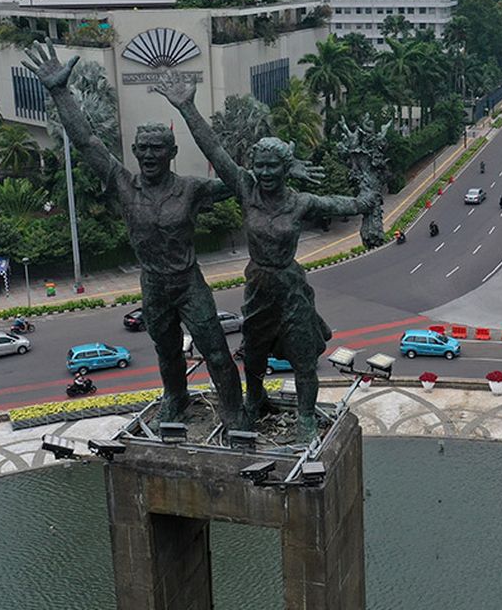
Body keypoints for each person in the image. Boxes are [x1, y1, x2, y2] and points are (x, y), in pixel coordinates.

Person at [22, 41, 246, 429]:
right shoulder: (123, 184)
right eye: (142, 148)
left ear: (172, 152)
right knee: (166, 350)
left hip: (188, 281)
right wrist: (60, 91)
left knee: (216, 351)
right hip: (153, 283)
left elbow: (236, 180)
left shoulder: (192, 189)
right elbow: (87, 141)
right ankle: (175, 397)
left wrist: (188, 109)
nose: (148, 155)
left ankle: (234, 411)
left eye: (157, 148)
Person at [151, 74, 381, 441]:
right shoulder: (245, 188)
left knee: (304, 357)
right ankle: (255, 399)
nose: (266, 173)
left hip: (290, 286)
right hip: (258, 286)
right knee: (254, 357)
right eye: (261, 166)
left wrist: (368, 202)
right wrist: (187, 107)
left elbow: (344, 204)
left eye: (274, 166)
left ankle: (305, 416)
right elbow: (214, 150)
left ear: (286, 168)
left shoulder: (301, 202)